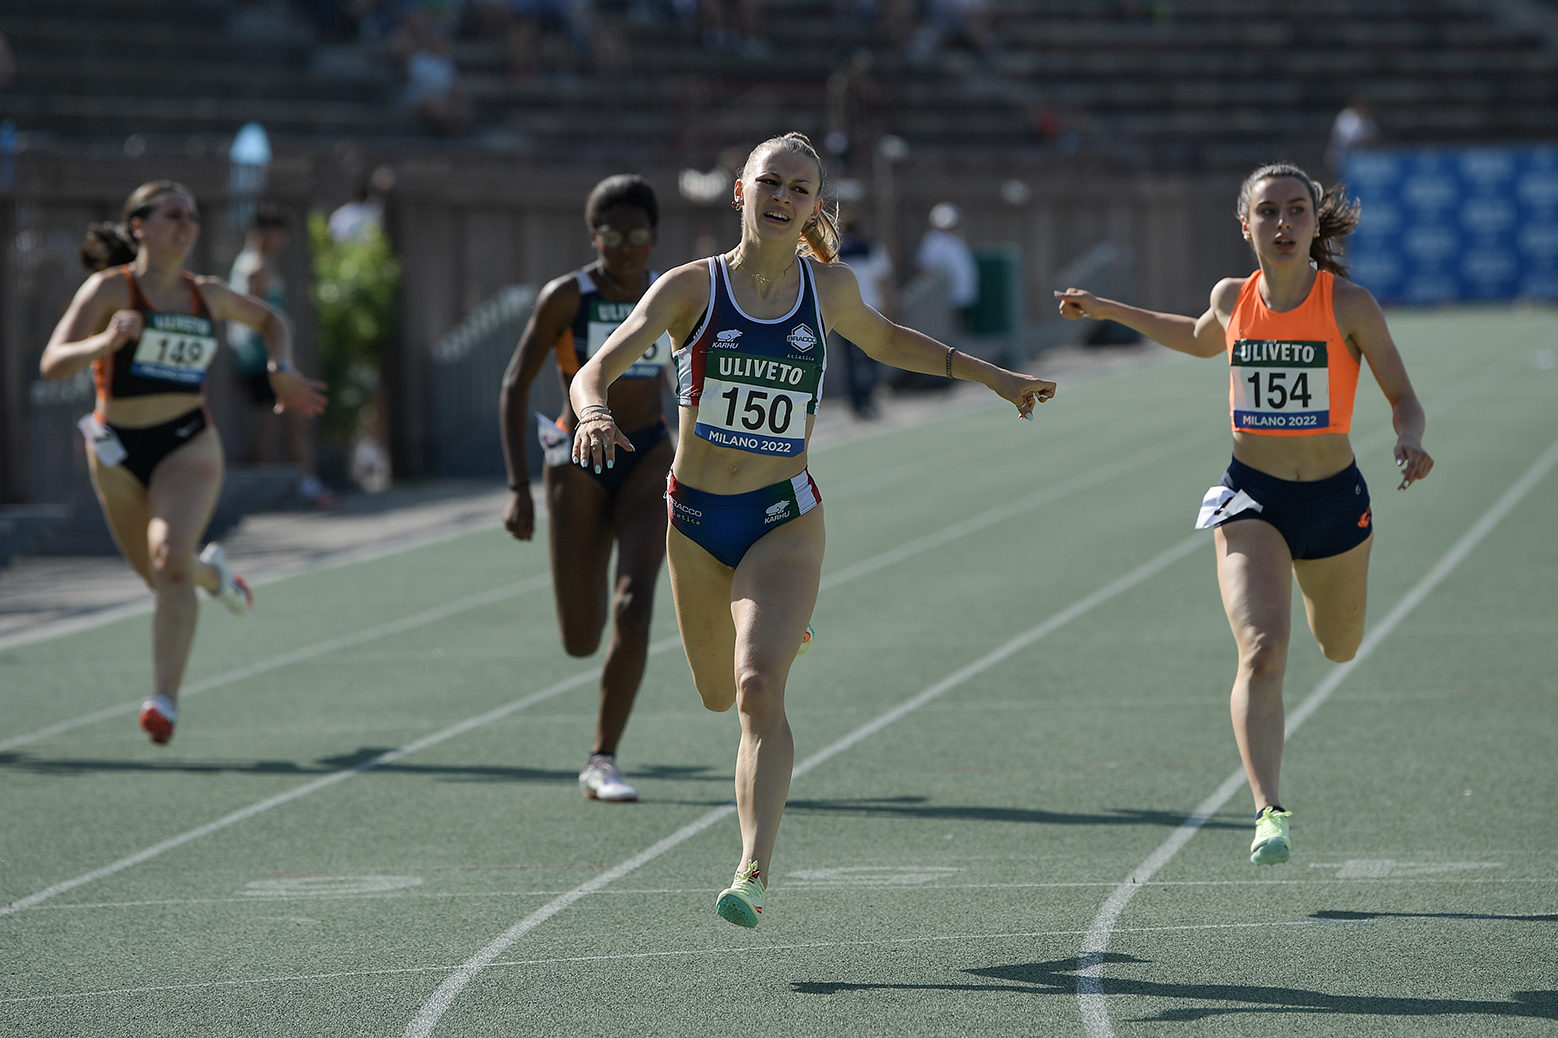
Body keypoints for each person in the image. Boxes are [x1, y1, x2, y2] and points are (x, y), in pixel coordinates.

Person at [568, 132, 1055, 926]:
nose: (784, 198)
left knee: (758, 690)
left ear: (814, 207)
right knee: (715, 693)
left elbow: (890, 340)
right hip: (695, 522)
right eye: (771, 182)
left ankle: (752, 869)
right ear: (741, 190)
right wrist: (592, 411)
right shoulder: (690, 288)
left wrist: (994, 377)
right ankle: (778, 632)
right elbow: (596, 369)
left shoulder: (828, 291)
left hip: (782, 520)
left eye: (800, 189)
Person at [1056, 162, 1433, 866]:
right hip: (1251, 496)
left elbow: (1403, 397)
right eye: (1268, 211)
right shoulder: (1232, 298)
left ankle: (1324, 642)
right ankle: (1268, 810)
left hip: (1334, 502)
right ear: (1245, 224)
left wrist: (1409, 438)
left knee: (1340, 646)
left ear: (1314, 223)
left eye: (1296, 210)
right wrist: (1108, 309)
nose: (1283, 223)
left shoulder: (1349, 305)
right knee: (1262, 650)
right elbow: (1199, 336)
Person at [39, 181, 327, 745]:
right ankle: (214, 575)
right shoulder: (110, 289)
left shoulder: (207, 293)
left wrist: (282, 367)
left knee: (169, 558)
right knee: (160, 574)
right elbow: (53, 363)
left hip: (187, 443)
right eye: (173, 214)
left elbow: (273, 322)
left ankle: (163, 701)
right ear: (140, 226)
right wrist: (104, 343)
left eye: (192, 216)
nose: (186, 225)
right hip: (116, 451)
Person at [499, 174, 674, 803]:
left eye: (637, 233)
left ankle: (603, 758)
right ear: (593, 237)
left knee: (635, 605)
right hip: (577, 456)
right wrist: (519, 488)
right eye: (612, 234)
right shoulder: (567, 297)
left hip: (649, 454)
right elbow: (515, 385)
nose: (625, 247)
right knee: (581, 637)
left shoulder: (671, 294)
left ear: (654, 236)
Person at [228, 203, 336, 508]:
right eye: (275, 232)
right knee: (293, 419)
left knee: (269, 425)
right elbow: (256, 319)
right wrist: (283, 360)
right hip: (265, 361)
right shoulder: (256, 267)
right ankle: (304, 488)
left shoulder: (255, 263)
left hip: (263, 359)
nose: (279, 239)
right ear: (263, 232)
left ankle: (273, 492)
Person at [834, 217, 894, 417]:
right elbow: (881, 281)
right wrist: (888, 309)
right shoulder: (872, 249)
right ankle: (869, 397)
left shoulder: (835, 252)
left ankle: (856, 402)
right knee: (873, 354)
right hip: (871, 309)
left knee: (849, 360)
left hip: (843, 311)